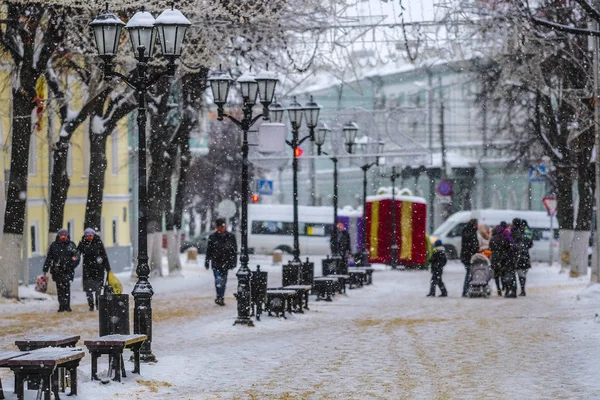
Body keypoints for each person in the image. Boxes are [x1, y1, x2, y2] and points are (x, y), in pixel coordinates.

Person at [43, 228, 79, 312]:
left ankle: (67, 306)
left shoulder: (71, 245)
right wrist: (45, 268)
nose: (63, 237)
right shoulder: (54, 245)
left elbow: (77, 256)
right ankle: (61, 306)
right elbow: (49, 258)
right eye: (61, 235)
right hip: (57, 270)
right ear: (58, 236)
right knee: (59, 288)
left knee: (66, 287)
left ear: (67, 236)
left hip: (68, 270)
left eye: (64, 235)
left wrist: (72, 264)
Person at [205, 218, 238, 306]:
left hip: (226, 262)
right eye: (219, 227)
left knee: (223, 281)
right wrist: (207, 261)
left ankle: (220, 297)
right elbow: (209, 250)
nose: (220, 228)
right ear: (216, 227)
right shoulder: (212, 237)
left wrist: (233, 262)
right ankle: (219, 296)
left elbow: (234, 251)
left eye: (222, 226)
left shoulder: (230, 237)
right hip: (216, 262)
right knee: (218, 280)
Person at [77, 228, 111, 311]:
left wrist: (108, 268)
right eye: (87, 235)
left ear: (93, 235)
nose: (89, 237)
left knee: (98, 289)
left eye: (90, 235)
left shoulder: (98, 242)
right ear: (85, 236)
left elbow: (104, 255)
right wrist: (73, 260)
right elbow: (77, 253)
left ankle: (98, 305)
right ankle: (91, 305)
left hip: (98, 269)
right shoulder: (82, 243)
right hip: (87, 270)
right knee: (88, 290)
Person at [489, 221, 517, 298]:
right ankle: (506, 289)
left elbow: (490, 247)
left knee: (497, 275)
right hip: (503, 258)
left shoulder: (494, 238)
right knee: (504, 274)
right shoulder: (506, 236)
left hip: (495, 258)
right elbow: (510, 247)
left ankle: (499, 290)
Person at [511, 218, 533, 296]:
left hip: (517, 255)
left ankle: (515, 290)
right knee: (523, 273)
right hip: (525, 255)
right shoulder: (526, 232)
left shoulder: (513, 232)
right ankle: (522, 289)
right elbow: (530, 243)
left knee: (518, 272)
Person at [460, 219, 479, 297]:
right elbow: (474, 245)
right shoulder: (472, 233)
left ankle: (466, 290)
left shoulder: (465, 231)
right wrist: (476, 251)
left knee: (469, 273)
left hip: (465, 255)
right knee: (469, 274)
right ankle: (466, 290)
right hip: (469, 256)